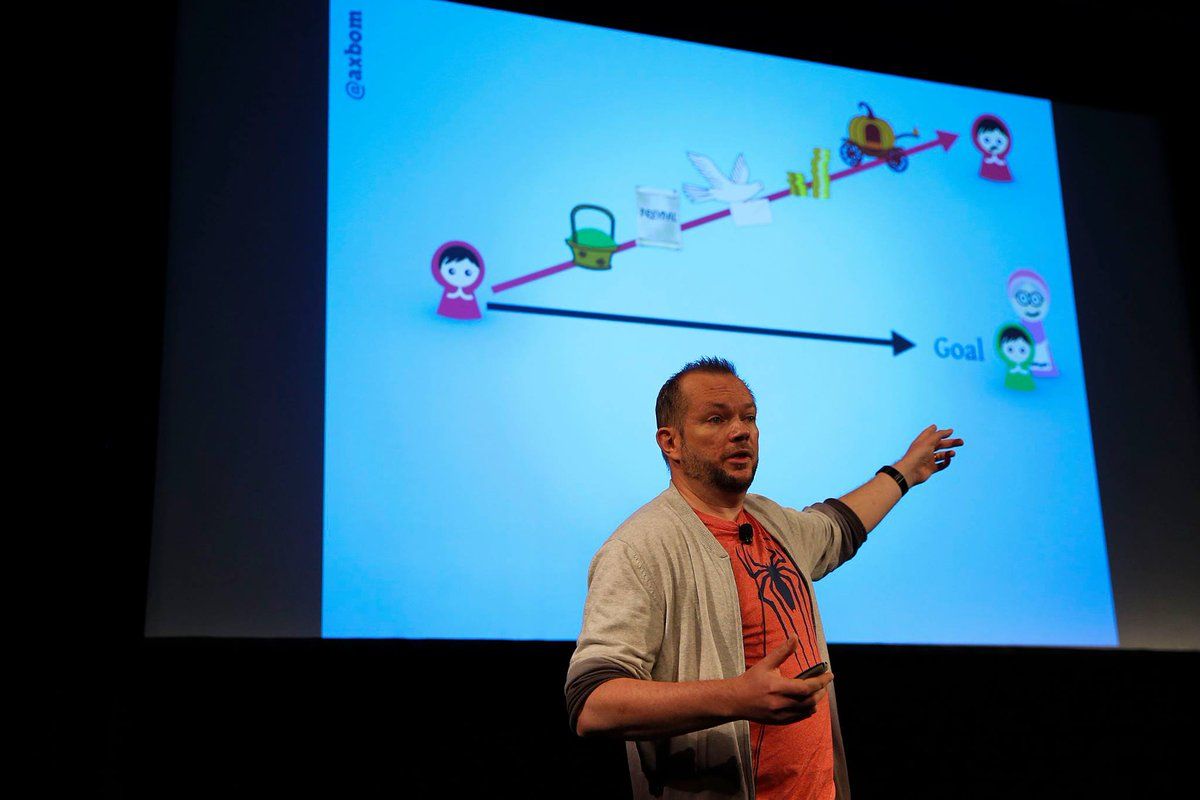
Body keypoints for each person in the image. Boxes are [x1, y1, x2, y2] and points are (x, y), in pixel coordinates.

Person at [565, 357, 962, 799]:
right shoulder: (639, 548)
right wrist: (736, 697)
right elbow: (593, 704)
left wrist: (905, 472)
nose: (742, 431)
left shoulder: (770, 521)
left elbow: (839, 526)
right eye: (716, 419)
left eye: (749, 417)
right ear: (670, 442)